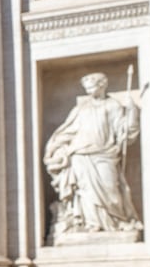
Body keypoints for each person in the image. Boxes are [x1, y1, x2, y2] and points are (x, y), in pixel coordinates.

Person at [44, 71, 141, 239]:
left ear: (102, 85)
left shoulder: (113, 105)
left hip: (105, 154)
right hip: (80, 154)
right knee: (85, 191)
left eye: (91, 87)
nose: (88, 91)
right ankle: (91, 224)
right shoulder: (80, 108)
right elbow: (68, 131)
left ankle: (116, 221)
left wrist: (132, 111)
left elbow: (125, 133)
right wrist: (57, 148)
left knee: (111, 189)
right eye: (86, 88)